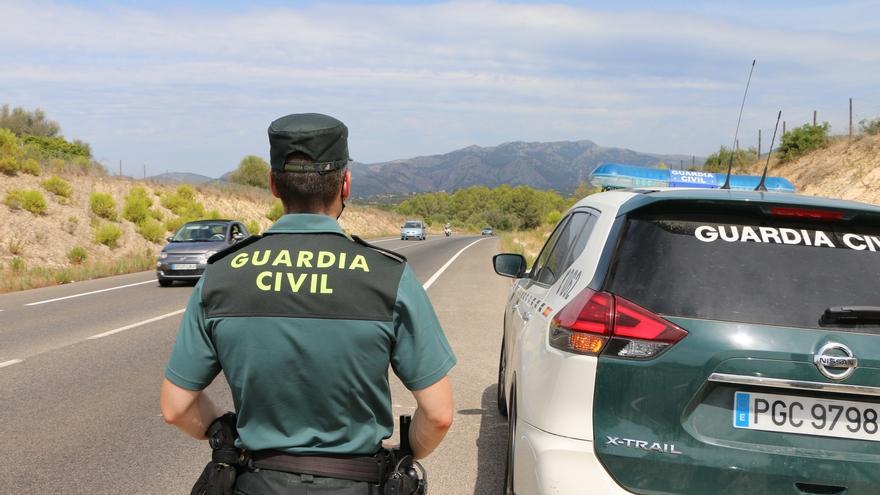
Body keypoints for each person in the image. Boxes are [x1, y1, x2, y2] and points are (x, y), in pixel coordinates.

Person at [160, 113, 456, 494]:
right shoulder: (389, 276)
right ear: (345, 185)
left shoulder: (221, 275)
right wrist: (405, 453)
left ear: (273, 184)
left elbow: (176, 407)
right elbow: (439, 414)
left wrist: (223, 430)